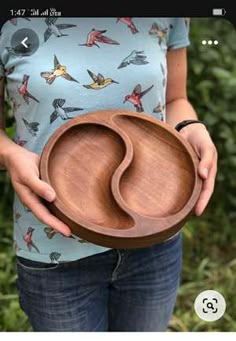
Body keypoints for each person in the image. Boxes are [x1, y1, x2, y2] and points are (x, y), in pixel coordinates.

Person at [0, 17, 217, 331]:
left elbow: (175, 100)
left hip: (154, 236)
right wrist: (9, 155)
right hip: (55, 250)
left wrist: (190, 126)